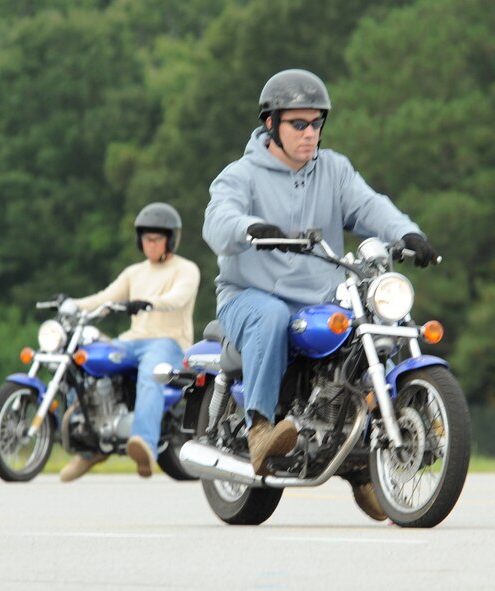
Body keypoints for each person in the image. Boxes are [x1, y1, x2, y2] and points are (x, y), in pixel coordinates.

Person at [202, 69, 438, 520]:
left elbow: (369, 205)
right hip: (248, 296)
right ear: (271, 124)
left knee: (370, 326)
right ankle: (259, 429)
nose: (310, 133)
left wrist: (407, 232)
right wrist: (249, 228)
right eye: (298, 124)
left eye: (316, 123)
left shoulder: (333, 170)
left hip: (318, 297)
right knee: (270, 315)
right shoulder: (241, 175)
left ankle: (363, 459)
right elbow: (217, 220)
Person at [59, 202, 200, 481]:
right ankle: (91, 448)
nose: (151, 243)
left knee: (150, 375)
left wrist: (148, 303)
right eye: (146, 238)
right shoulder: (134, 272)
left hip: (168, 342)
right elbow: (105, 298)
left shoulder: (186, 270)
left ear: (170, 239)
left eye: (157, 238)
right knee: (84, 362)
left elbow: (178, 299)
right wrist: (71, 304)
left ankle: (144, 445)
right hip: (131, 341)